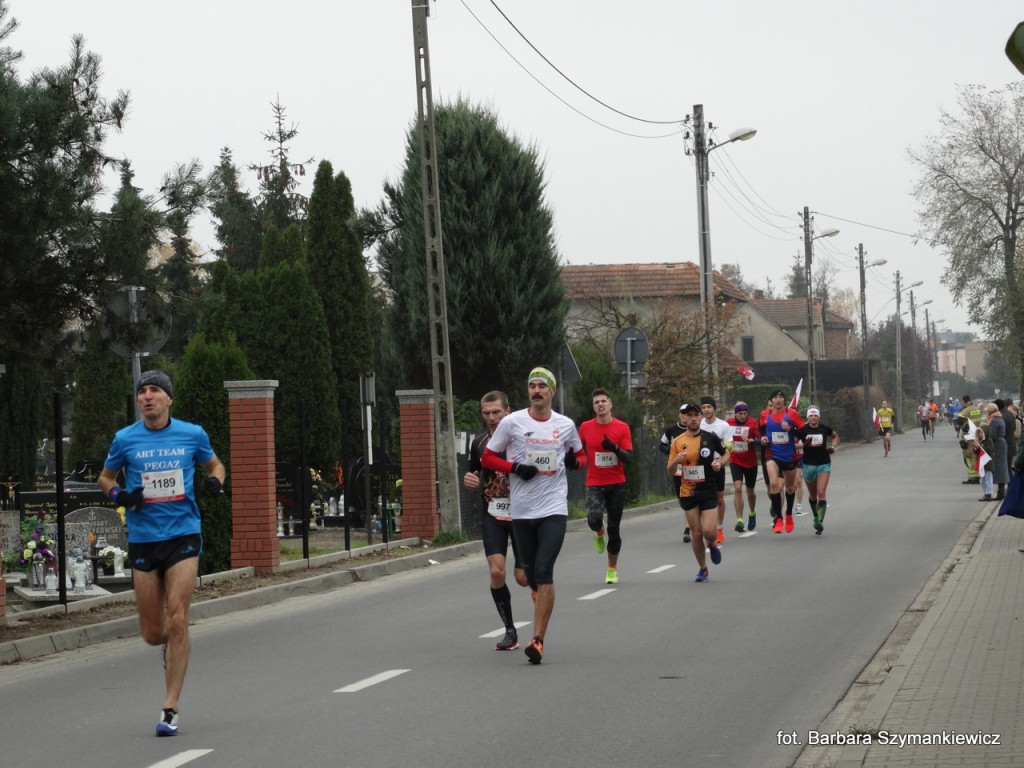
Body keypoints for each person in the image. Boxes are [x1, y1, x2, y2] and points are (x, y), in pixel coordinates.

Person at [97, 371, 226, 737]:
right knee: (155, 633)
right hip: (143, 538)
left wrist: (216, 480)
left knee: (180, 618)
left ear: (169, 399)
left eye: (155, 391)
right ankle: (167, 650)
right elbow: (105, 478)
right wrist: (120, 496)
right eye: (142, 392)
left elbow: (215, 464)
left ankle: (170, 707)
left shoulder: (191, 434)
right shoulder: (125, 439)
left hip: (183, 534)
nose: (147, 397)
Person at [481, 367, 585, 665]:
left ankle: (537, 639)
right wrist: (514, 468)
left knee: (543, 572)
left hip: (554, 508)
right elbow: (488, 456)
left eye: (542, 386)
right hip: (522, 512)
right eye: (532, 386)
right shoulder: (512, 422)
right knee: (525, 578)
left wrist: (572, 461)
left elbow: (581, 458)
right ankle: (538, 595)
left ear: (552, 391)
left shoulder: (565, 425)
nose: (537, 390)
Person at [463, 391, 528, 651]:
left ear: (508, 411)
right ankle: (510, 630)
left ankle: (539, 592)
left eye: (496, 412)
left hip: (522, 513)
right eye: (487, 413)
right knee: (496, 571)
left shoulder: (523, 440)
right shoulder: (479, 443)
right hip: (493, 512)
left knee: (523, 578)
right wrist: (470, 479)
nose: (491, 418)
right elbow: (473, 472)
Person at [667, 402, 729, 582]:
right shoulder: (678, 442)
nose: (693, 419)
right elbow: (670, 470)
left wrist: (720, 463)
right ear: (684, 418)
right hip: (688, 491)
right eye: (689, 415)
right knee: (696, 533)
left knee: (709, 532)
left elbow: (726, 453)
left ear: (700, 418)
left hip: (708, 489)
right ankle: (703, 568)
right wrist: (675, 462)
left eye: (696, 415)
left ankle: (712, 543)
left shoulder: (710, 437)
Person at [578, 388, 633, 585]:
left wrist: (615, 449)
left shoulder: (622, 427)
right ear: (593, 407)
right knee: (594, 519)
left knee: (614, 529)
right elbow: (579, 452)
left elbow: (629, 458)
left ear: (610, 404)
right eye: (596, 402)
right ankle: (598, 532)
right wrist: (574, 460)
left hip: (616, 484)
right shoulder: (585, 427)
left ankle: (612, 569)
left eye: (603, 401)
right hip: (594, 482)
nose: (600, 404)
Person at [759, 388, 806, 533]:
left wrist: (790, 429)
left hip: (789, 456)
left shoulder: (791, 414)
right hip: (772, 454)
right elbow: (761, 429)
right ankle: (779, 518)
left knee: (790, 488)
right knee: (774, 483)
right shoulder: (764, 414)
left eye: (780, 397)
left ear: (783, 401)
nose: (778, 400)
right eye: (775, 397)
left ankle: (789, 515)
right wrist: (762, 437)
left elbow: (804, 431)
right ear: (771, 401)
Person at [795, 406, 839, 535]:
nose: (813, 418)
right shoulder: (803, 430)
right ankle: (815, 516)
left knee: (821, 492)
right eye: (811, 416)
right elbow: (794, 443)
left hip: (824, 464)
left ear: (819, 417)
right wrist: (803, 445)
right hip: (808, 465)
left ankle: (820, 521)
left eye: (816, 415)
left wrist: (833, 447)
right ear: (807, 417)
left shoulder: (824, 429)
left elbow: (835, 436)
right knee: (813, 495)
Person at [699, 396, 733, 544]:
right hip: (701, 467)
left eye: (709, 407)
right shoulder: (698, 425)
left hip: (717, 466)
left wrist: (721, 462)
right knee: (701, 498)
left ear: (714, 409)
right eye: (704, 407)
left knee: (719, 498)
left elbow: (728, 450)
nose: (706, 410)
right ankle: (704, 528)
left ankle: (719, 528)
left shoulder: (723, 426)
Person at [660, 406, 692, 543]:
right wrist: (673, 453)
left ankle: (688, 528)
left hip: (692, 469)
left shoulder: (696, 429)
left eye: (688, 414)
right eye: (683, 414)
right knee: (681, 498)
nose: (685, 416)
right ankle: (691, 519)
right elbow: (662, 445)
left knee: (690, 497)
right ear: (679, 415)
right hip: (677, 469)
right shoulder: (672, 430)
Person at [726, 402, 759, 532]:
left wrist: (751, 441)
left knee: (750, 492)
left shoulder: (752, 423)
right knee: (738, 488)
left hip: (751, 462)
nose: (743, 416)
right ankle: (739, 520)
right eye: (740, 413)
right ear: (735, 413)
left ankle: (752, 512)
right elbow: (723, 437)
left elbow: (760, 439)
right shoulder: (728, 423)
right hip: (736, 461)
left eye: (745, 413)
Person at [956, 395, 983, 484]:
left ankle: (973, 478)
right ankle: (975, 476)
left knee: (968, 456)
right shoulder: (976, 409)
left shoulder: (966, 410)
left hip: (968, 436)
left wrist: (964, 428)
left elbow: (959, 420)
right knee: (975, 455)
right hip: (977, 434)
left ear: (964, 401)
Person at [986, 402, 1009, 501]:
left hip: (998, 445)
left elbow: (992, 435)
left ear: (991, 411)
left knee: (999, 467)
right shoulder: (1000, 418)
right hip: (1001, 443)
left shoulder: (994, 420)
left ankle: (1001, 492)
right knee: (1002, 467)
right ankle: (1001, 490)